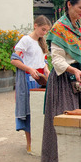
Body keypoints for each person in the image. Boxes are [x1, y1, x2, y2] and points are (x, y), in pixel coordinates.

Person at [40, 0, 81, 162]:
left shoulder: (77, 28)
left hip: (78, 78)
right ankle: (60, 160)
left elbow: (77, 56)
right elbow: (57, 59)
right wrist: (73, 70)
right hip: (63, 81)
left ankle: (79, 158)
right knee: (66, 119)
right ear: (69, 5)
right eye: (80, 7)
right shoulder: (59, 28)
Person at [11, 15, 52, 154]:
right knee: (29, 112)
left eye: (46, 30)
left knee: (39, 111)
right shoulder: (26, 40)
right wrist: (29, 69)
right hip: (28, 79)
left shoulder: (41, 42)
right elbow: (14, 60)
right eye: (43, 29)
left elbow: (42, 60)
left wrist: (46, 68)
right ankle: (29, 143)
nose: (44, 32)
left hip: (40, 79)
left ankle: (39, 142)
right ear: (35, 25)